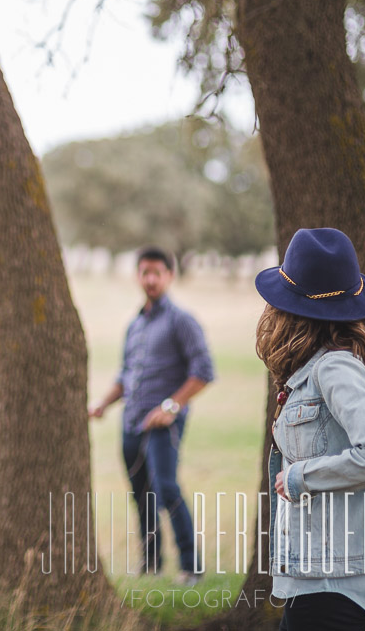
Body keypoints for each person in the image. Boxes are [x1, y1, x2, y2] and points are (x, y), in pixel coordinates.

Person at [255, 227, 365, 631]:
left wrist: (301, 476)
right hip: (323, 576)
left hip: (335, 583)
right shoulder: (338, 364)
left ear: (289, 312)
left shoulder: (336, 368)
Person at [88, 246, 214, 583]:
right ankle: (151, 564)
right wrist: (102, 403)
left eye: (158, 272)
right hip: (131, 422)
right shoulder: (135, 325)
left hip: (163, 425)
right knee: (141, 494)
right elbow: (125, 375)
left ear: (170, 276)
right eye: (145, 272)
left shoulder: (181, 321)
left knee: (167, 489)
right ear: (138, 275)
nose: (151, 279)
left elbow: (204, 371)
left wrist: (171, 406)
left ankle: (192, 567)